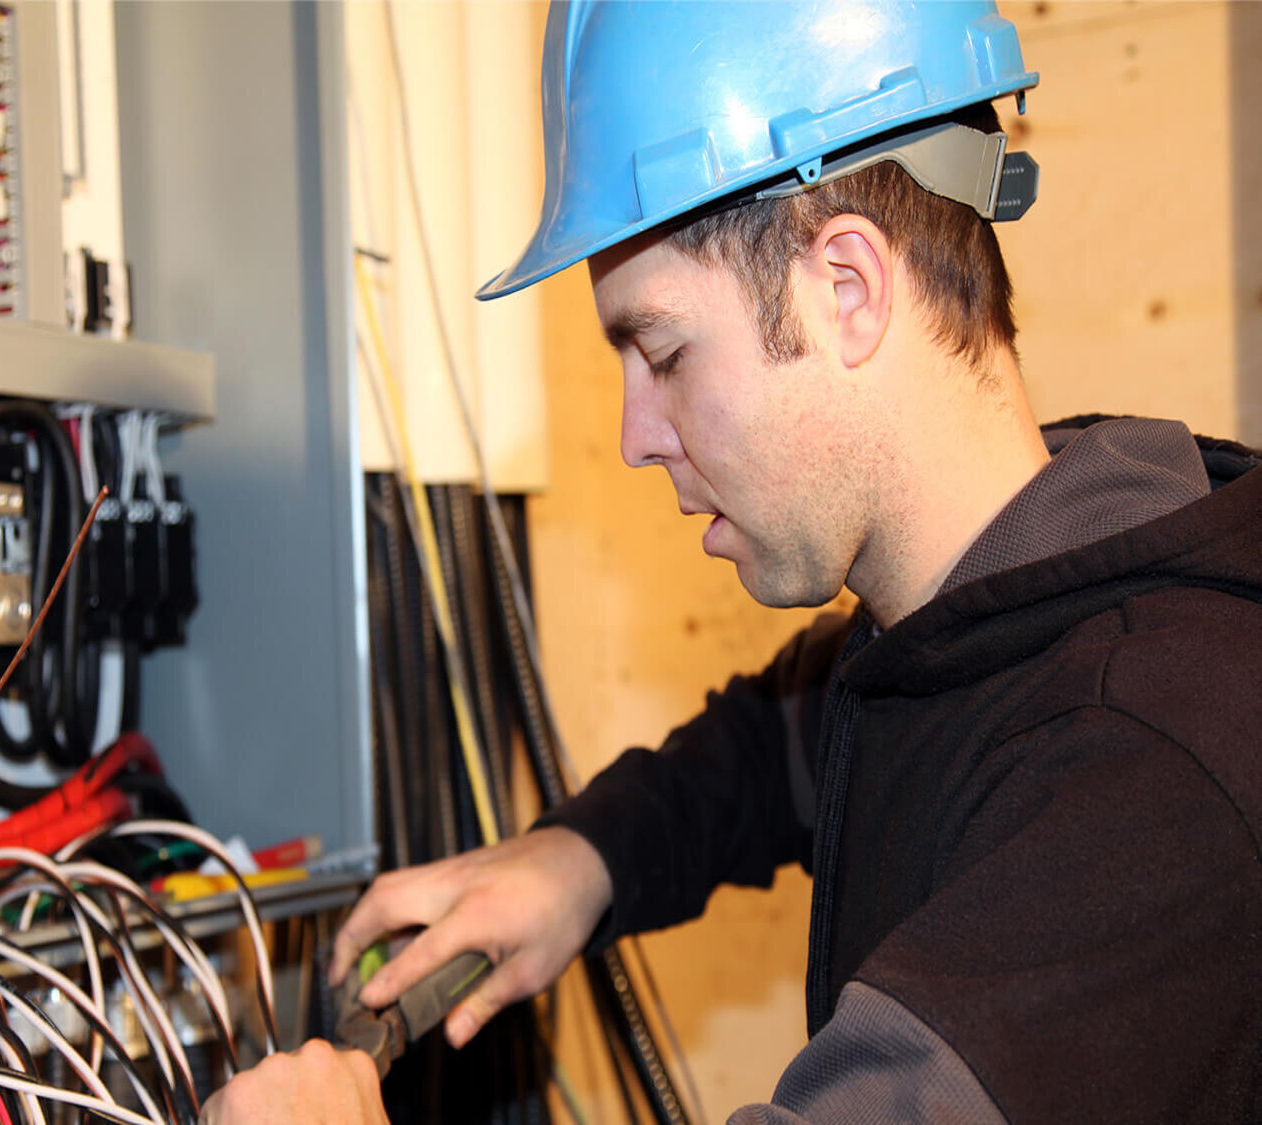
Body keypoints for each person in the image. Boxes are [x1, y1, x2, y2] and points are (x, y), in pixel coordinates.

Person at [202, 2, 1262, 1121]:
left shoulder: (1148, 777)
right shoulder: (982, 611)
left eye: (661, 352)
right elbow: (776, 743)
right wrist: (582, 860)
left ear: (846, 290)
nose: (634, 435)